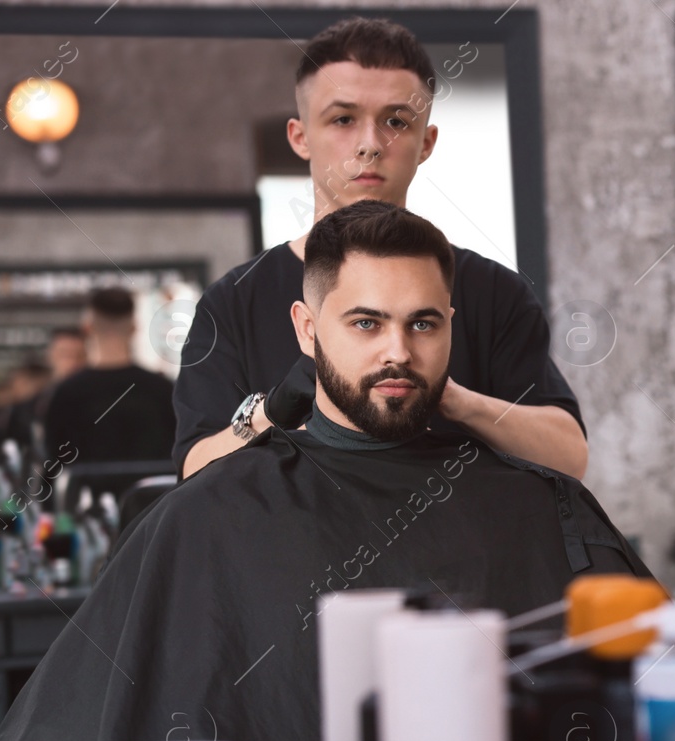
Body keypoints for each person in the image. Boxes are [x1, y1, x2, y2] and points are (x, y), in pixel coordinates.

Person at [0, 202, 651, 741]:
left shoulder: (530, 502)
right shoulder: (207, 518)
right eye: (366, 323)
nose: (398, 351)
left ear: (452, 320)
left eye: (423, 323)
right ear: (307, 328)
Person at [174, 16, 587, 481]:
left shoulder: (494, 291)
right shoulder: (234, 300)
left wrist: (450, 397)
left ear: (426, 142)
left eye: (395, 121)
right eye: (343, 119)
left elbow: (569, 458)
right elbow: (195, 471)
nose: (370, 144)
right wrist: (276, 408)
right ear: (300, 137)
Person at [42, 288, 176, 463]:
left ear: (88, 328)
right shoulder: (163, 389)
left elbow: (54, 461)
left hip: (87, 490)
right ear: (134, 328)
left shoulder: (67, 393)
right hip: (156, 491)